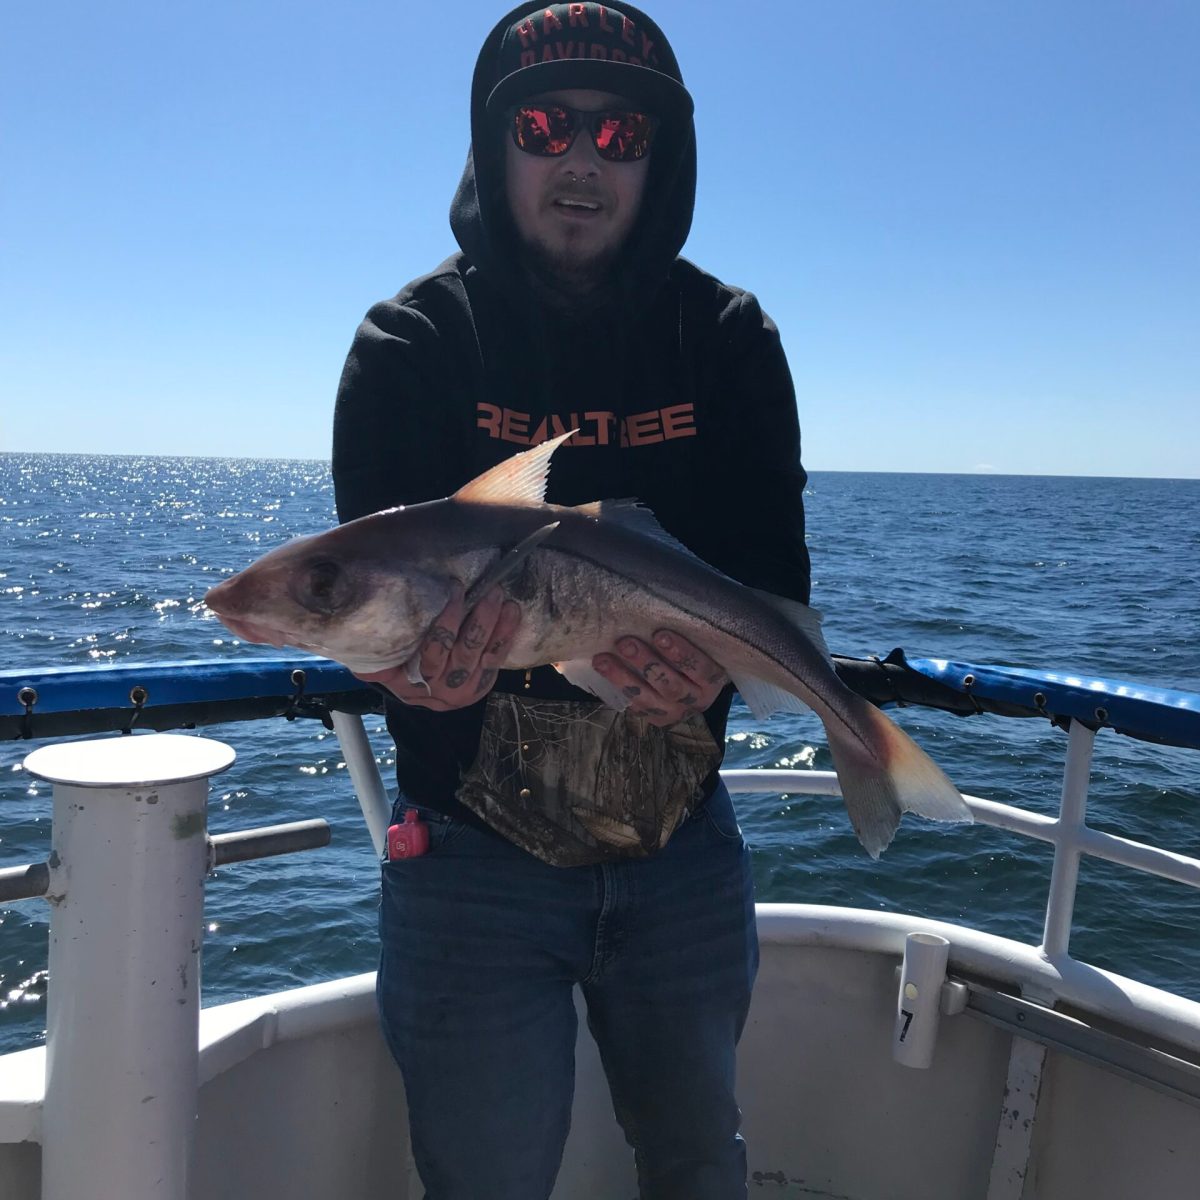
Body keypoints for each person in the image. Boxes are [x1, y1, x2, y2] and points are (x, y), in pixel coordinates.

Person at [332, 4, 810, 1197]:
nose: (584, 158)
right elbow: (380, 611)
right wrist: (404, 675)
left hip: (681, 851)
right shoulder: (411, 344)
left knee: (703, 1167)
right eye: (546, 124)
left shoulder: (731, 340)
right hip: (468, 869)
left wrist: (715, 670)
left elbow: (776, 593)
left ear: (664, 155)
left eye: (624, 132)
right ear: (496, 145)